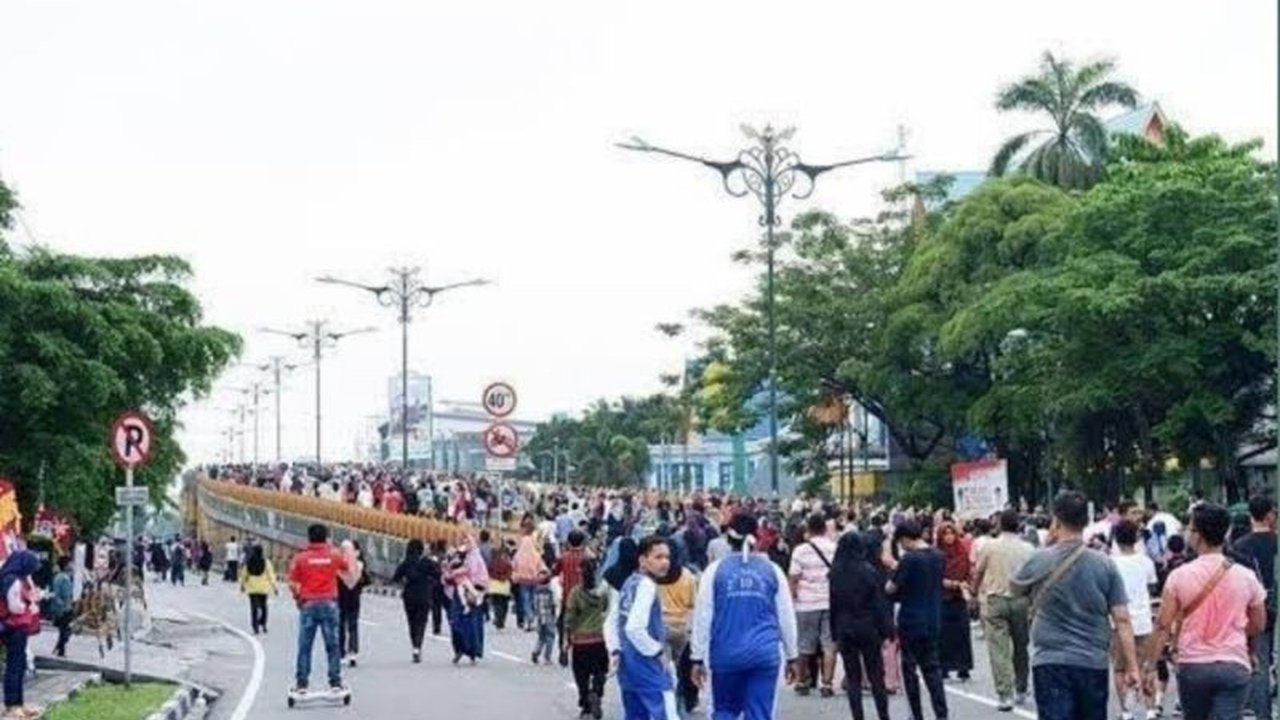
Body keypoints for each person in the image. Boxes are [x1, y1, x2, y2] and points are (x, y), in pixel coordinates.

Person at [1011, 491, 1140, 720]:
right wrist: (1132, 666)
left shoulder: (1040, 559)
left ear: (1056, 520)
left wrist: (1048, 546)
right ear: (1086, 521)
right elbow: (1122, 619)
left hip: (1051, 661)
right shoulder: (1105, 565)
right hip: (1092, 661)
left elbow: (1015, 590)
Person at [1146, 503, 1267, 720]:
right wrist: (1237, 632)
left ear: (1197, 535)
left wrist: (1150, 666)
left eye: (1189, 528)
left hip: (1193, 667)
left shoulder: (1179, 576)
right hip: (1234, 664)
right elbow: (1258, 623)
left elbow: (1163, 625)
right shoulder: (1246, 575)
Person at [690, 513, 799, 720]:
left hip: (725, 655)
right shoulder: (773, 571)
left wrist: (696, 658)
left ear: (728, 539)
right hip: (764, 655)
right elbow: (786, 616)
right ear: (757, 537)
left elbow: (703, 617)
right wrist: (792, 655)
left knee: (724, 710)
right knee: (759, 714)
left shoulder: (714, 571)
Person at [606, 534, 678, 719]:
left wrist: (615, 650)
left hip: (628, 668)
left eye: (667, 557)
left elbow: (611, 622)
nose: (665, 562)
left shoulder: (629, 583)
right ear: (642, 560)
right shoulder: (647, 586)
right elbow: (634, 628)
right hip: (649, 668)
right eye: (658, 557)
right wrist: (657, 651)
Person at [971, 509, 1033, 711]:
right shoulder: (1028, 549)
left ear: (999, 525)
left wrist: (973, 593)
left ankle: (1004, 694)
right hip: (1021, 600)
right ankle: (1021, 688)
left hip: (995, 599)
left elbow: (978, 572)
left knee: (999, 649)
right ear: (1019, 525)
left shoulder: (990, 546)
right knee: (1021, 646)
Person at [887, 519, 949, 720]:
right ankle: (941, 713)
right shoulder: (939, 556)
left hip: (911, 619)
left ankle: (916, 713)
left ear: (904, 538)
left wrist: (891, 570)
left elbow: (892, 588)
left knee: (910, 669)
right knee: (932, 669)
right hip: (934, 617)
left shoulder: (910, 559)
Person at [828, 532, 891, 720]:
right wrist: (886, 629)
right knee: (876, 675)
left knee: (852, 676)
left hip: (844, 626)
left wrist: (834, 632)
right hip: (867, 625)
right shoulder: (868, 570)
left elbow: (833, 604)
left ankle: (858, 716)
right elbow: (878, 603)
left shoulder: (835, 573)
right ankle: (883, 715)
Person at [287, 523, 354, 694]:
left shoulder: (300, 558)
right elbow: (347, 568)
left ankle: (302, 684)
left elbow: (293, 583)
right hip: (329, 604)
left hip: (308, 604)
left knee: (305, 646)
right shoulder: (333, 555)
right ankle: (335, 682)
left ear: (309, 537)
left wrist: (298, 599)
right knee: (332, 645)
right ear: (326, 538)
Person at [1233, 494, 1276, 718]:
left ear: (1251, 515)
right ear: (1270, 515)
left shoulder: (1240, 546)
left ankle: (1262, 714)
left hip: (1255, 609)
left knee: (1259, 662)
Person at [1110, 520, 1158, 720]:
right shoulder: (1146, 561)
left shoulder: (1110, 563)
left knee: (1120, 668)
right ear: (1137, 538)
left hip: (1118, 622)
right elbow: (1152, 586)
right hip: (1144, 620)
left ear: (1115, 539)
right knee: (1146, 664)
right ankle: (1149, 708)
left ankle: (1126, 710)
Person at [788, 513, 837, 697]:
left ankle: (802, 681)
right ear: (825, 528)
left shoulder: (800, 551)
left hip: (806, 603)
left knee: (804, 644)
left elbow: (794, 577)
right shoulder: (834, 548)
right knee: (829, 644)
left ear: (808, 529)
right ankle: (827, 683)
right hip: (830, 601)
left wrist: (793, 597)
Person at [655, 545, 698, 716]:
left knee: (665, 669)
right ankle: (681, 700)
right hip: (681, 628)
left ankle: (667, 703)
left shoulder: (656, 577)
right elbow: (692, 604)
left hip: (661, 628)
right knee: (682, 669)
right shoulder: (687, 576)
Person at [565, 558, 609, 720]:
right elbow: (606, 609)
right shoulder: (603, 591)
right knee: (600, 671)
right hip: (599, 639)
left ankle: (586, 705)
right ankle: (596, 692)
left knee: (581, 676)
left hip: (580, 641)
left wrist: (566, 641)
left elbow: (569, 618)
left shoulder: (575, 593)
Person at [0, 551, 42, 720]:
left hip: (18, 626)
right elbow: (14, 607)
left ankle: (18, 703)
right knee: (14, 667)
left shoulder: (16, 579)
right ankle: (12, 705)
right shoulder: (12, 581)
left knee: (19, 665)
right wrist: (30, 605)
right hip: (14, 627)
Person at [934, 521, 973, 683]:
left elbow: (969, 572)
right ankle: (943, 667)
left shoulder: (962, 552)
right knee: (943, 634)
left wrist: (966, 583)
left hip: (959, 597)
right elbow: (934, 575)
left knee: (962, 632)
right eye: (945, 534)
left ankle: (963, 667)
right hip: (943, 597)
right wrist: (949, 583)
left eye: (951, 533)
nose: (949, 537)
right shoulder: (936, 555)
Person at [391, 538, 441, 663]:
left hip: (409, 596)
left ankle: (414, 645)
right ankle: (417, 647)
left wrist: (404, 580)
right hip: (424, 595)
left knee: (412, 622)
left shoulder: (406, 562)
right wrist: (430, 582)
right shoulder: (427, 562)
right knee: (421, 623)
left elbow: (396, 577)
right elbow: (439, 574)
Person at [444, 538, 490, 664]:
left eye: (468, 542)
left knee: (472, 625)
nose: (466, 545)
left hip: (472, 595)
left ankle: (472, 652)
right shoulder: (459, 556)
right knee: (455, 621)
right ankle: (458, 649)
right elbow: (448, 573)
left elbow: (479, 577)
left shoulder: (476, 558)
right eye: (464, 542)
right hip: (459, 595)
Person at [337, 540, 368, 666]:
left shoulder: (338, 566)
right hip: (354, 599)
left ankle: (341, 652)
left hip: (340, 599)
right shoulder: (359, 565)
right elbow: (366, 580)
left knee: (340, 626)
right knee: (353, 626)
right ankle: (353, 652)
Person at [239, 545, 277, 635]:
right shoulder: (266, 562)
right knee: (264, 606)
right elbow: (271, 575)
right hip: (264, 588)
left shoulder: (249, 562)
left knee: (253, 607)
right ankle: (263, 624)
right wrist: (274, 587)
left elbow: (244, 575)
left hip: (252, 588)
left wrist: (242, 585)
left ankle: (255, 625)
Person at [530, 570, 558, 664]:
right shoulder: (550, 591)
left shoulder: (536, 592)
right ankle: (547, 657)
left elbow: (534, 605)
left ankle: (536, 651)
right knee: (550, 636)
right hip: (549, 616)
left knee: (541, 636)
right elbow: (554, 603)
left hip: (539, 617)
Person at [49, 557, 75, 658]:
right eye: (70, 563)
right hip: (62, 608)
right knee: (64, 629)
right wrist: (62, 606)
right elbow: (56, 594)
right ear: (65, 565)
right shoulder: (60, 578)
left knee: (66, 629)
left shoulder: (67, 577)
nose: (72, 565)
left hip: (67, 606)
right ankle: (61, 649)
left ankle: (60, 648)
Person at [488, 546, 514, 630]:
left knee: (496, 604)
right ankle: (502, 619)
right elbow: (510, 572)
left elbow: (489, 572)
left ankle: (498, 618)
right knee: (504, 603)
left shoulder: (492, 562)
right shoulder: (507, 562)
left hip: (495, 585)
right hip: (504, 585)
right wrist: (504, 577)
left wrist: (496, 577)